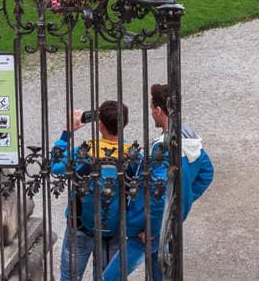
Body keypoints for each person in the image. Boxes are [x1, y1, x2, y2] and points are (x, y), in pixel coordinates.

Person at [102, 82, 213, 281]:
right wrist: (182, 200)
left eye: (152, 108)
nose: (151, 113)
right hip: (169, 220)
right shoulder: (189, 138)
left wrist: (151, 228)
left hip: (149, 230)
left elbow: (158, 194)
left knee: (110, 277)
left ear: (159, 110)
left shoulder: (162, 147)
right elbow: (206, 173)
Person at [51, 100, 138, 281]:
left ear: (99, 124)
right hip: (114, 230)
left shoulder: (84, 151)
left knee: (69, 277)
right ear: (126, 124)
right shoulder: (133, 155)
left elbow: (54, 165)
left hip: (81, 226)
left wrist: (68, 131)